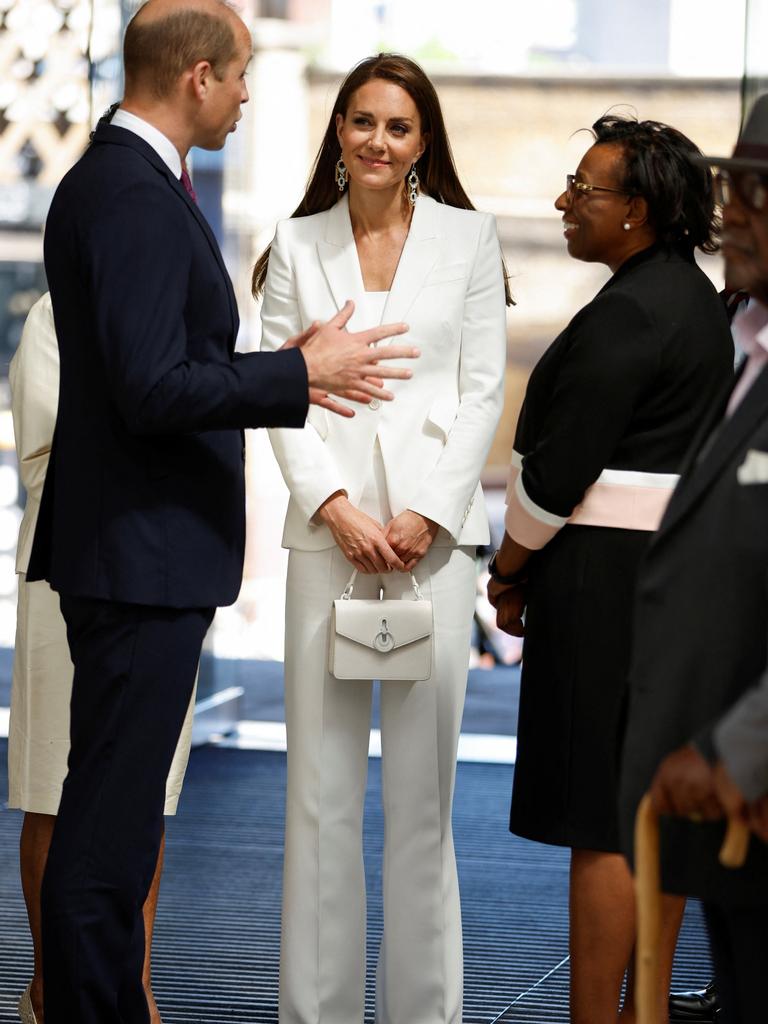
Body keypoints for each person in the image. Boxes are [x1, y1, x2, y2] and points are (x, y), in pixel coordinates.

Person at [28, 3, 418, 1021]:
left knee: (112, 828)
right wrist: (297, 370)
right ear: (199, 75)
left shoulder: (132, 184)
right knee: (109, 837)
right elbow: (154, 387)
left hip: (139, 553)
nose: (250, 94)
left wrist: (290, 369)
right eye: (240, 74)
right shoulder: (130, 193)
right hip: (138, 557)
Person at [255, 52, 509, 1024]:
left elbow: (484, 385)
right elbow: (276, 391)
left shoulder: (471, 240)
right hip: (330, 543)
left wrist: (425, 514)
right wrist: (338, 507)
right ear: (339, 133)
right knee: (318, 802)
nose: (377, 140)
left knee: (422, 810)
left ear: (423, 144)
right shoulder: (294, 239)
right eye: (361, 120)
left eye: (397, 127)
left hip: (429, 550)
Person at [487, 115, 734, 1023]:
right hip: (664, 583)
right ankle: (646, 1013)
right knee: (651, 820)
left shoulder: (631, 310)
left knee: (601, 823)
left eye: (583, 190)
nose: (564, 202)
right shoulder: (696, 300)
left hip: (604, 589)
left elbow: (556, 474)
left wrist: (510, 568)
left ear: (635, 210)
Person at [8, 293, 199, 1024]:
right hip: (73, 571)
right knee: (57, 790)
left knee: (142, 794)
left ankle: (134, 992)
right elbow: (43, 458)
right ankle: (52, 992)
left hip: (164, 573)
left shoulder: (186, 313)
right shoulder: (59, 313)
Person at [620, 93, 768, 1024]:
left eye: (759, 189)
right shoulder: (748, 345)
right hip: (725, 823)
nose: (737, 209)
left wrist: (737, 754)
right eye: (732, 183)